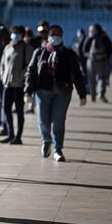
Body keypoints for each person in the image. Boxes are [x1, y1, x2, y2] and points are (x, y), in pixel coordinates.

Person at [25, 25, 87, 162]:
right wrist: (28, 91)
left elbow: (77, 74)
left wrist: (82, 94)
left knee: (58, 121)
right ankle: (46, 140)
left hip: (62, 92)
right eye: (52, 34)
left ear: (62, 36)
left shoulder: (69, 54)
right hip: (42, 91)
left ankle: (58, 149)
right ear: (48, 36)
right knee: (43, 119)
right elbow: (31, 72)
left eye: (58, 34)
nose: (55, 37)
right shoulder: (39, 52)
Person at [0, 26, 34, 145]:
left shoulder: (27, 48)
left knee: (19, 111)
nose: (15, 35)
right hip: (7, 84)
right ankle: (10, 134)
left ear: (23, 35)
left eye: (18, 33)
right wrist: (3, 76)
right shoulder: (7, 47)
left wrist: (20, 76)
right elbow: (2, 64)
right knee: (6, 109)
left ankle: (18, 136)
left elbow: (30, 66)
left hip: (19, 86)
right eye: (14, 33)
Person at [83, 23, 112, 103]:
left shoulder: (89, 37)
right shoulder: (104, 37)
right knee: (101, 78)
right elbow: (110, 50)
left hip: (91, 61)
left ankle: (93, 97)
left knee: (92, 80)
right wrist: (106, 58)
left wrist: (87, 56)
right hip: (102, 61)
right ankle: (101, 93)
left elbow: (83, 49)